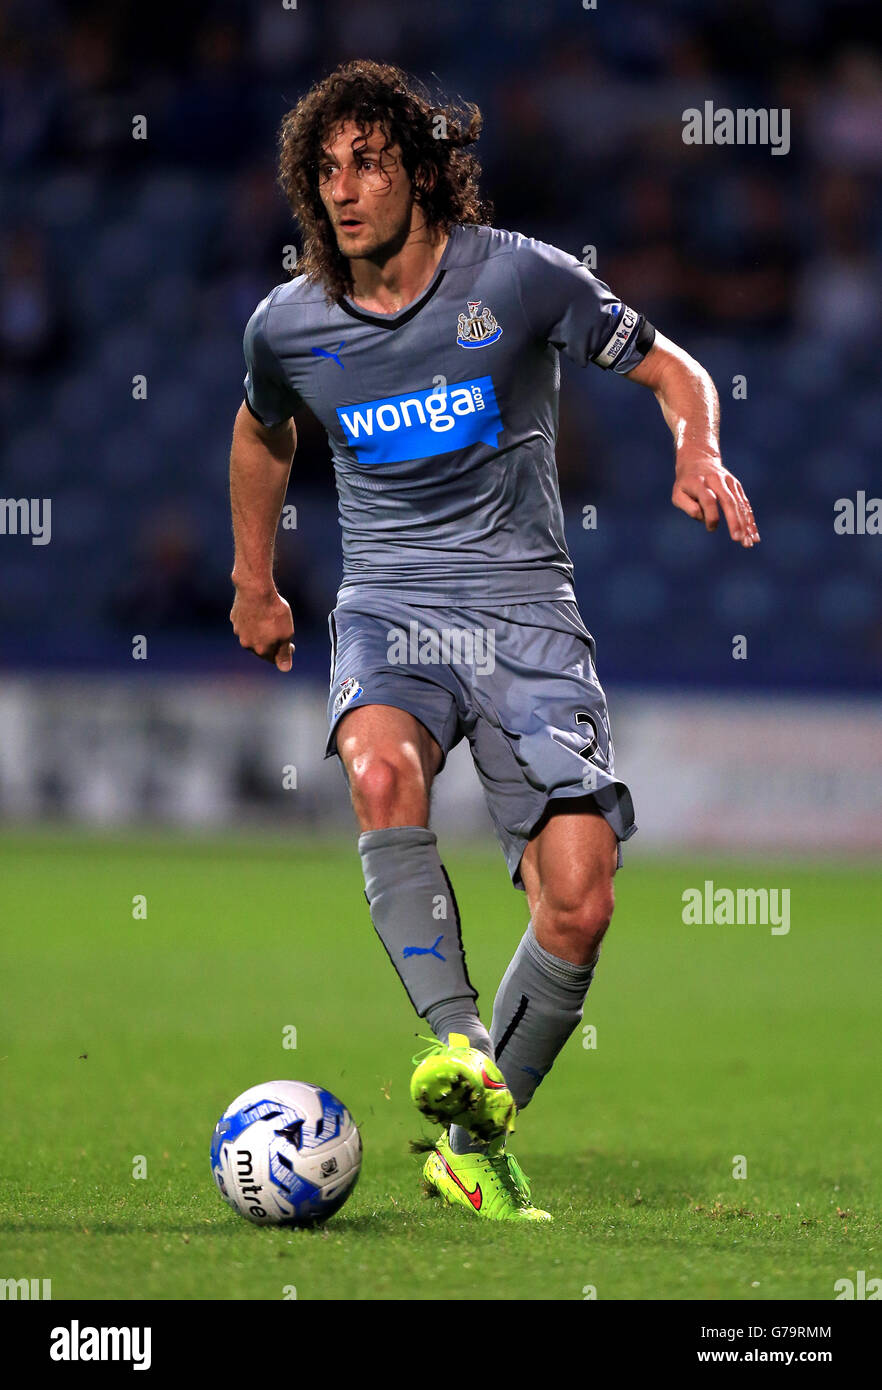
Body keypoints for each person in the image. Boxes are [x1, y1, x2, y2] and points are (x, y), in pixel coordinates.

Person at [228, 59, 759, 1222]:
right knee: (377, 768)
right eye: (325, 171)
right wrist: (254, 579)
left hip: (525, 612)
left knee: (580, 897)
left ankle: (474, 1137)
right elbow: (263, 434)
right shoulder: (291, 323)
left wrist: (697, 448)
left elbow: (672, 365)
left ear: (424, 170)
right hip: (389, 608)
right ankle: (459, 1037)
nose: (346, 190)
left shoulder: (514, 277)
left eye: (369, 162)